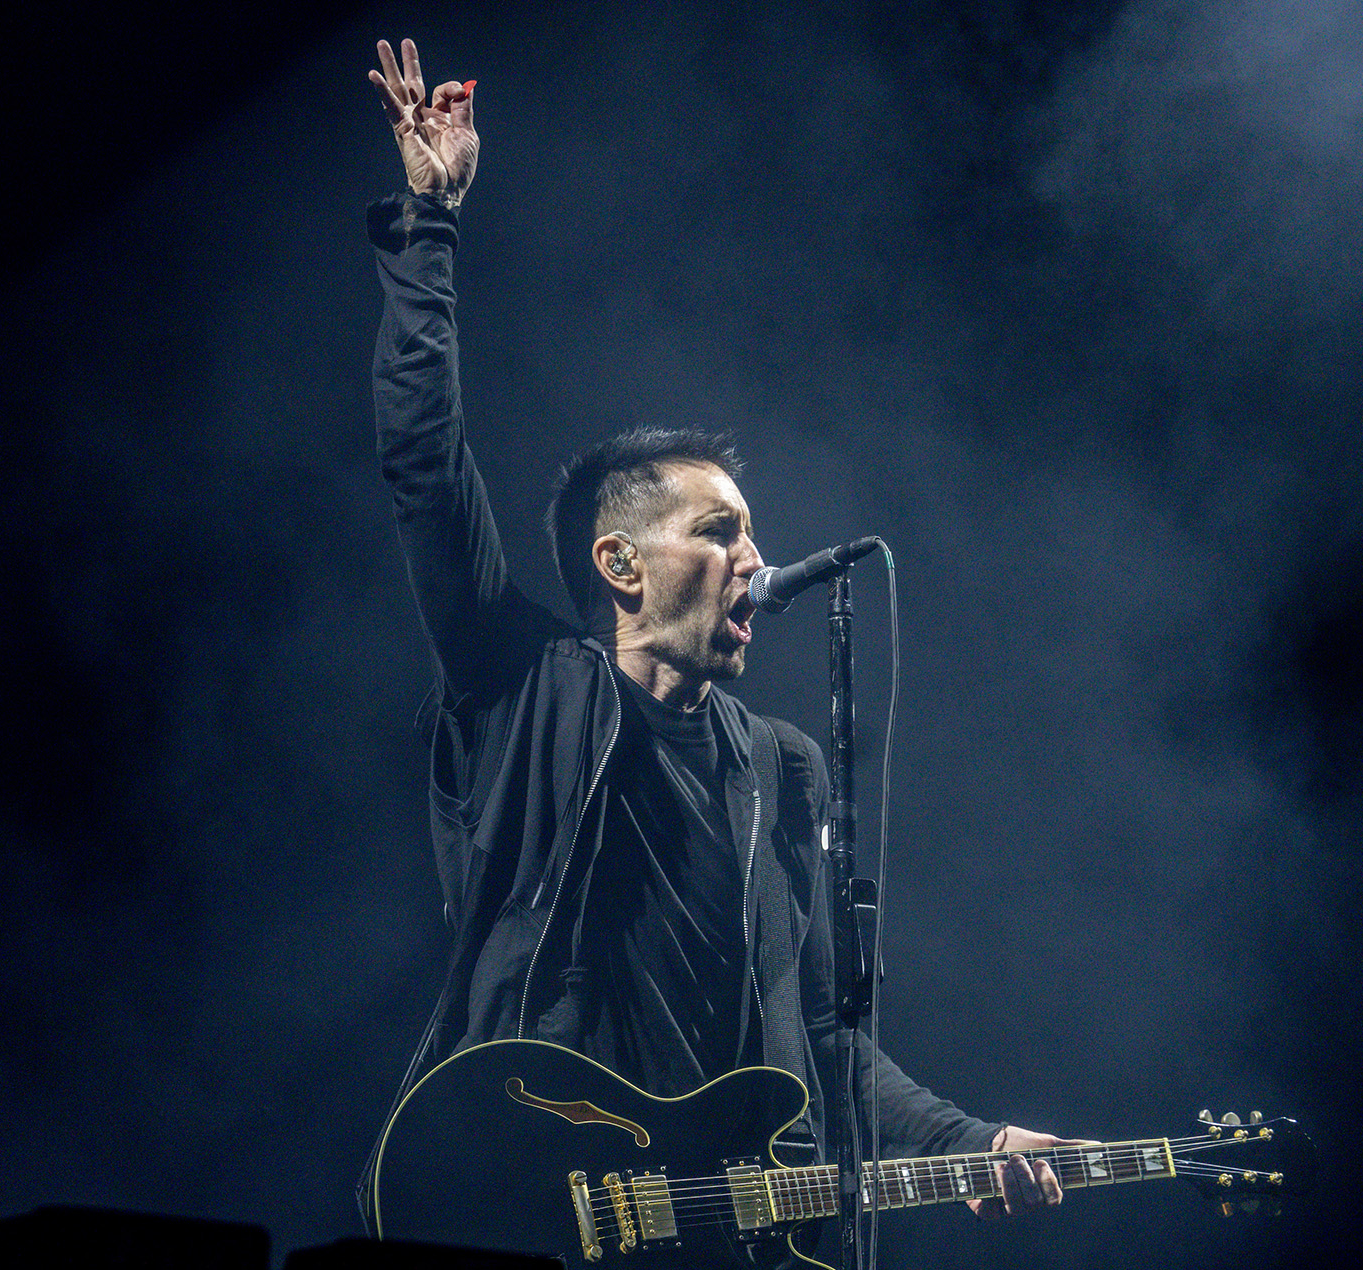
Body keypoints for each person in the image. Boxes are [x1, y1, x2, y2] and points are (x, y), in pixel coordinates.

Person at [360, 34, 1077, 1232]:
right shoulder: (522, 682)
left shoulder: (777, 767)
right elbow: (424, 474)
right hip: (513, 1190)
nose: (754, 557)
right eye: (721, 530)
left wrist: (975, 1141)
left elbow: (824, 1041)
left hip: (701, 1223)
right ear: (619, 564)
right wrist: (431, 228)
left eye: (753, 534)